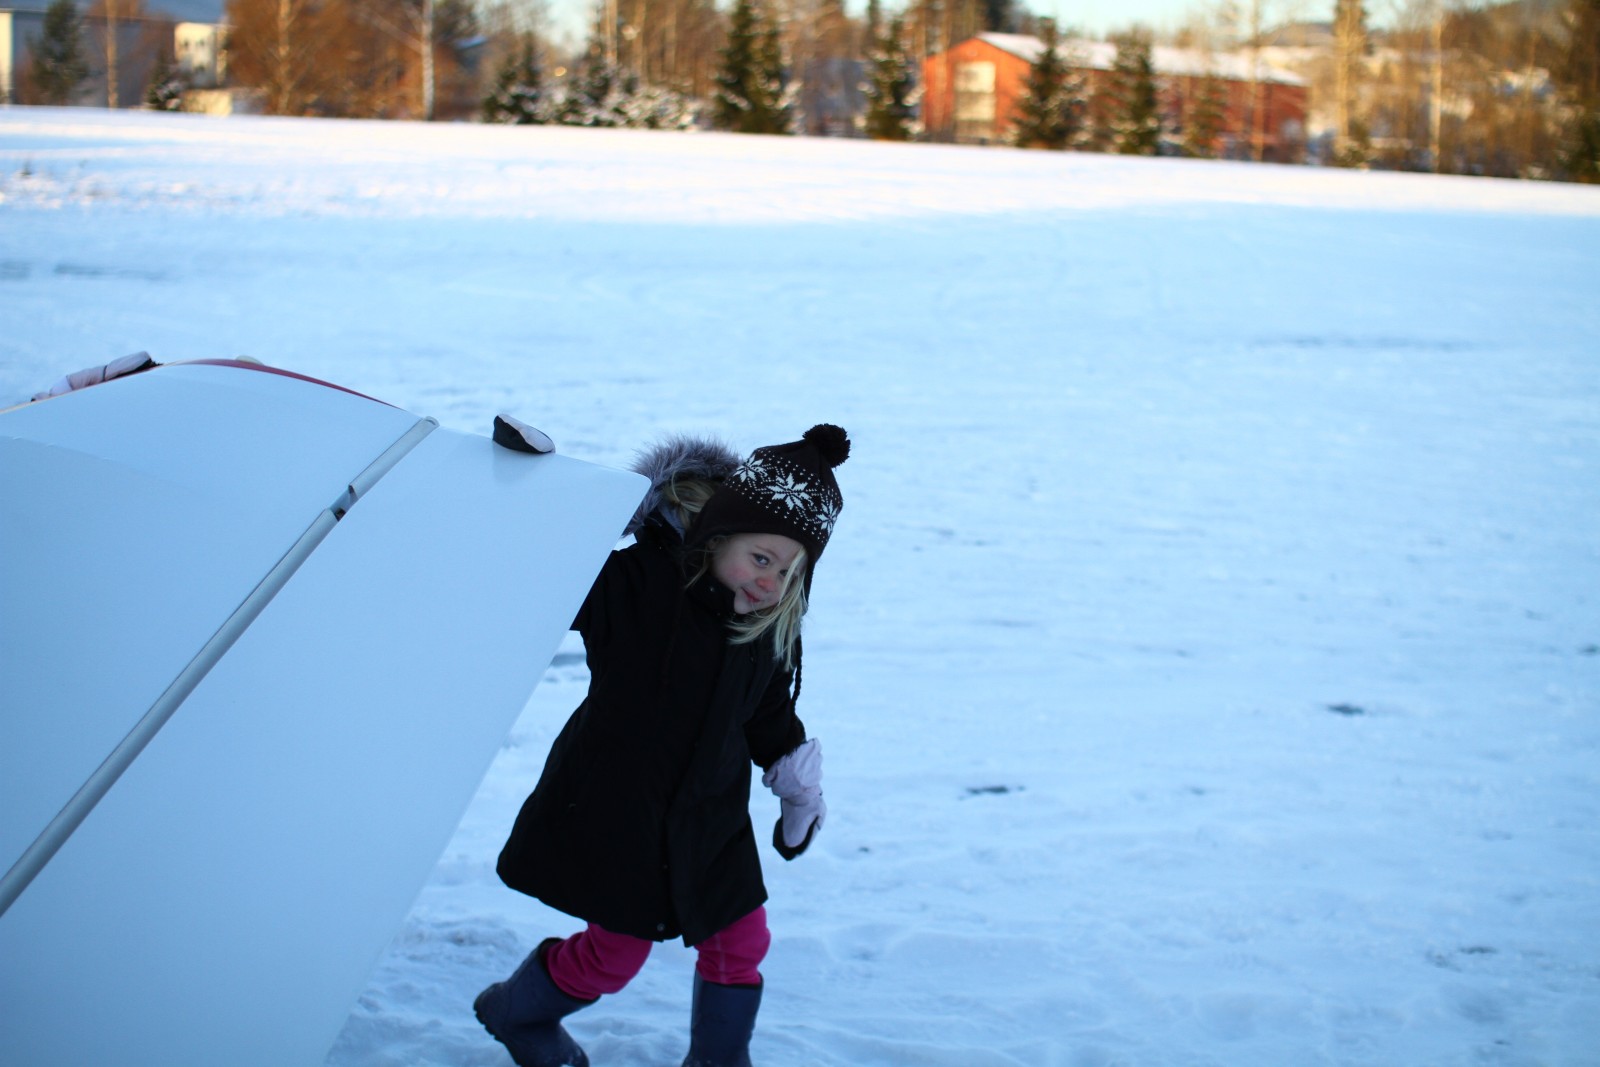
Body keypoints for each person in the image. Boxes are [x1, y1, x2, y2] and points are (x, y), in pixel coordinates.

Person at [475, 424, 851, 1067]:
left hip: (711, 817)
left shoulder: (760, 627)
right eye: (762, 559)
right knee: (614, 956)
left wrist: (795, 778)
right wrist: (534, 490)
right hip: (621, 812)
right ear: (719, 536)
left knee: (740, 944)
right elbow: (546, 572)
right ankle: (518, 1012)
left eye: (790, 571)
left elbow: (764, 711)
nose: (772, 583)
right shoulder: (635, 585)